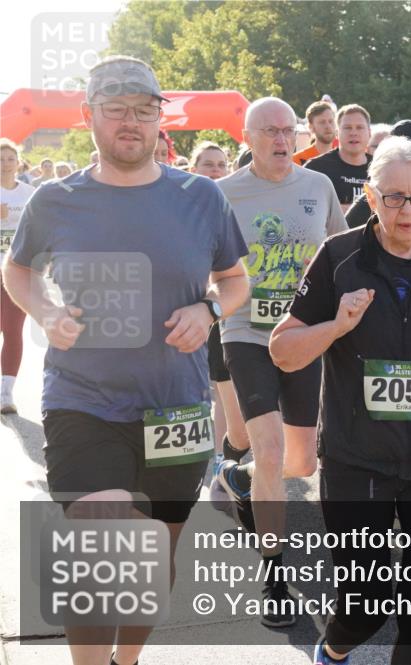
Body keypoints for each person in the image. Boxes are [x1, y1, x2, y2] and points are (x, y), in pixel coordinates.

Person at [2, 55, 249, 665]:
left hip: (175, 406)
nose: (130, 123)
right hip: (82, 399)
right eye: (116, 110)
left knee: (154, 552)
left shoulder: (201, 197)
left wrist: (210, 312)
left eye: (143, 110)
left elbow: (236, 280)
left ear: (159, 120)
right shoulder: (55, 202)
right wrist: (43, 311)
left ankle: (125, 661)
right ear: (90, 117)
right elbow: (17, 271)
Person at [269, 136, 411, 664]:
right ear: (371, 198)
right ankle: (335, 648)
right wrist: (336, 324)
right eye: (393, 197)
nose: (407, 210)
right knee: (365, 606)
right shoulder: (339, 257)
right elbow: (283, 351)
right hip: (357, 459)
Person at [214, 96, 347, 627]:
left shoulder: (318, 186)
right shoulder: (222, 193)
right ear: (246, 137)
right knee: (268, 449)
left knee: (300, 464)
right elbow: (203, 261)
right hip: (245, 332)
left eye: (287, 130)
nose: (280, 138)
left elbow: (341, 249)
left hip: (301, 334)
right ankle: (274, 575)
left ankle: (239, 473)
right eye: (268, 130)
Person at [189, 141, 248, 502]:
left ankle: (223, 470)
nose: (215, 170)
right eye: (207, 164)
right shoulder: (180, 206)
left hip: (228, 311)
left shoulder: (233, 204)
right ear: (193, 168)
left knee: (226, 398)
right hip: (187, 313)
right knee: (203, 397)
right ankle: (208, 467)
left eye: (221, 164)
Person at [0, 139, 35, 414]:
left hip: (17, 270)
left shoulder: (29, 193)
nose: (5, 163)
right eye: (1, 159)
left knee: (13, 331)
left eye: (10, 158)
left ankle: (6, 393)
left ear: (18, 162)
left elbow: (37, 231)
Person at [305, 104, 372, 213]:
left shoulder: (381, 168)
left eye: (359, 127)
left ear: (369, 132)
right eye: (347, 128)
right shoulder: (316, 168)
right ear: (337, 133)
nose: (353, 133)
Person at [292, 100, 337, 166]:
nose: (328, 126)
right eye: (322, 122)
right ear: (311, 127)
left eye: (331, 121)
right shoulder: (298, 160)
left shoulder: (346, 157)